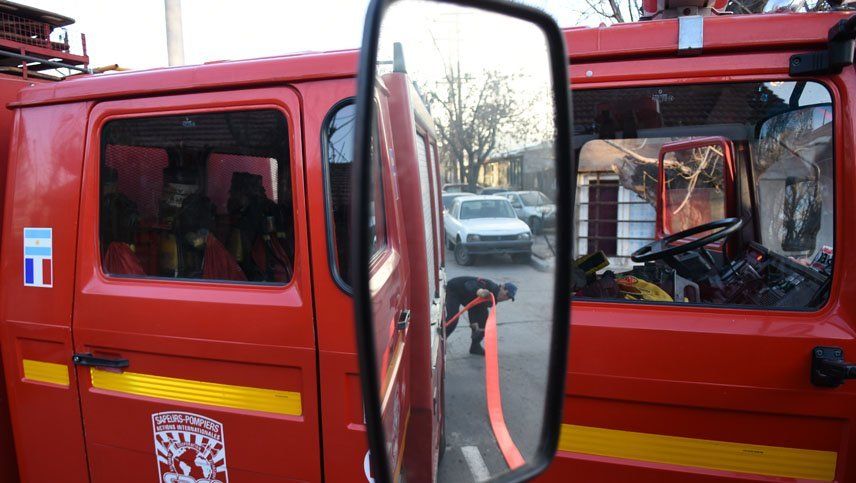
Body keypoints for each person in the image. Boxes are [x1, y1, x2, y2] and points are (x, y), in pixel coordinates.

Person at [445, 276, 517, 355]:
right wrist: (479, 291)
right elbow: (469, 284)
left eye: (509, 297)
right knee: (453, 320)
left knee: (482, 325)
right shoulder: (490, 286)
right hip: (455, 290)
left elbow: (479, 309)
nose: (505, 298)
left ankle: (475, 347)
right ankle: (442, 340)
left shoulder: (495, 298)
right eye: (506, 294)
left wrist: (475, 323)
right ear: (502, 287)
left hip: (471, 299)